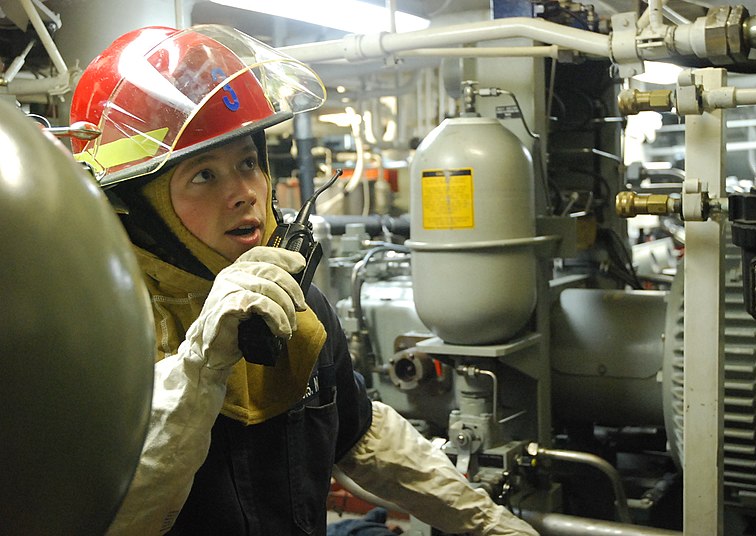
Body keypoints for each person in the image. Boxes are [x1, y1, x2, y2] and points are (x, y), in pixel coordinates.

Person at [71, 24, 539, 536]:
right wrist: (200, 370)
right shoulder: (103, 338)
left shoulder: (297, 305)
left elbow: (361, 436)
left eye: (248, 162)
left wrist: (489, 523)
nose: (244, 192)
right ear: (140, 208)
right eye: (203, 175)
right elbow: (117, 519)